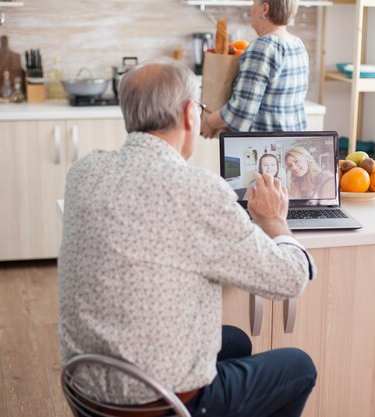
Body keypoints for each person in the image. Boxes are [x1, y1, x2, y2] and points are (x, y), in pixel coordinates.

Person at [58, 60, 317, 417]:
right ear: (189, 115)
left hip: (87, 391)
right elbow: (290, 278)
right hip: (157, 405)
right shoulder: (197, 189)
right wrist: (274, 221)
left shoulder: (84, 172)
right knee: (299, 367)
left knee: (237, 340)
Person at [201, 0, 309, 137]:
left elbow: (241, 112)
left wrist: (208, 122)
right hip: (291, 143)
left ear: (264, 9)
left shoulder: (263, 46)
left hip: (264, 148)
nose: (251, 8)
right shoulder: (297, 44)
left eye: (254, 3)